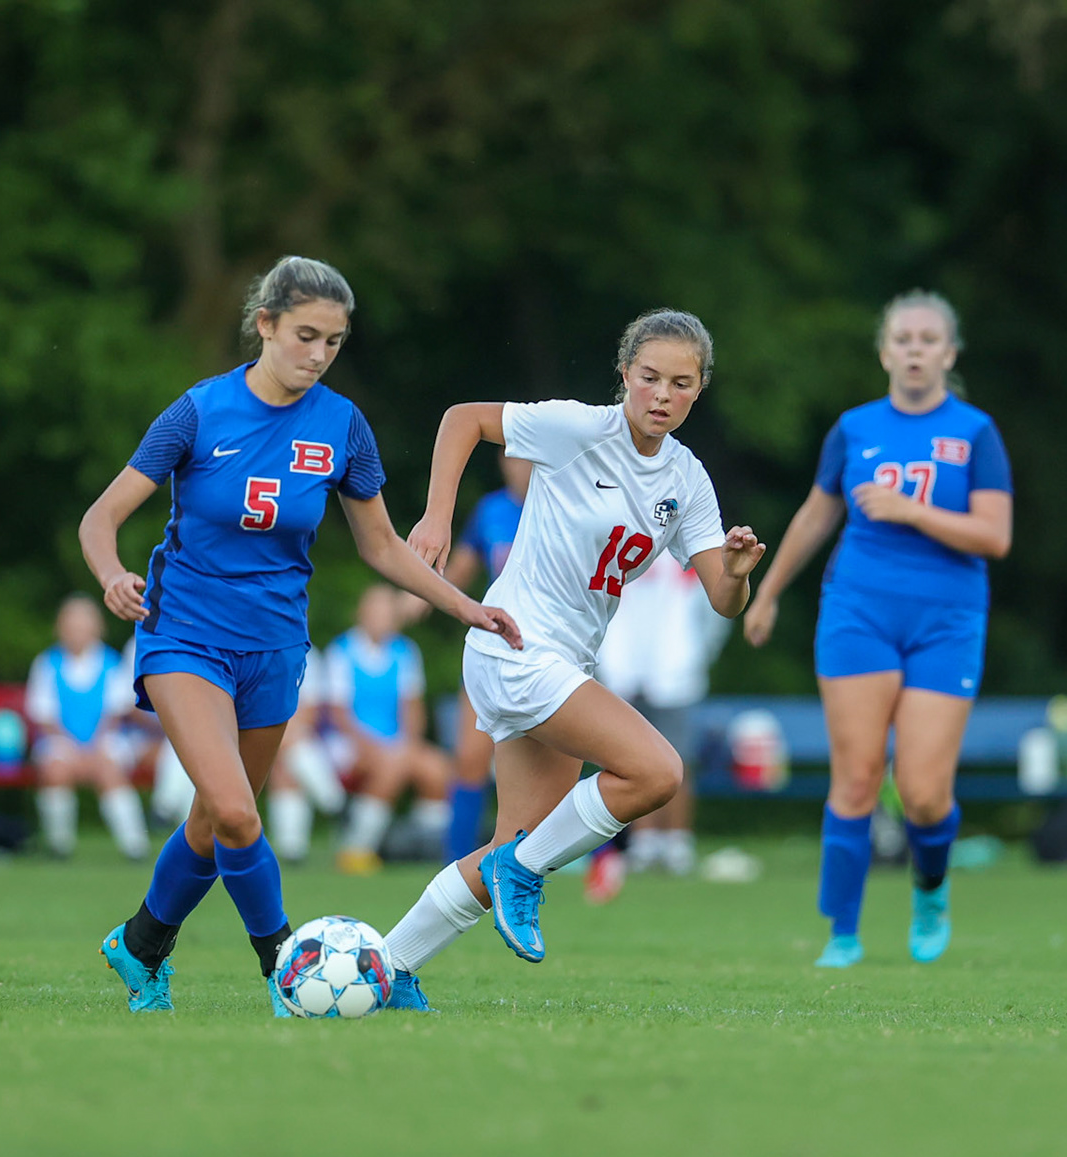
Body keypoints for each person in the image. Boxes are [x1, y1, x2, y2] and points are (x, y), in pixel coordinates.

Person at [78, 254, 520, 1015]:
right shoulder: (197, 412)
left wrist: (462, 605)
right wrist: (113, 572)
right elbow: (100, 517)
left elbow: (381, 547)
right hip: (184, 634)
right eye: (305, 336)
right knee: (240, 811)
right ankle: (285, 966)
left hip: (276, 647)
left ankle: (142, 944)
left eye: (335, 342)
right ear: (265, 325)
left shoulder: (344, 426)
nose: (318, 356)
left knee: (217, 820)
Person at [380, 309, 764, 1010]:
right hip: (516, 646)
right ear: (625, 376)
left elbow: (722, 601)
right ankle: (518, 873)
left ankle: (383, 968)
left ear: (698, 390)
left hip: (562, 664)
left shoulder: (687, 479)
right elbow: (463, 418)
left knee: (515, 841)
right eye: (649, 377)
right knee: (655, 771)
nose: (662, 394)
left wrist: (736, 572)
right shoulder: (580, 429)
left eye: (680, 383)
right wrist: (438, 517)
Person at [742, 290, 1012, 968]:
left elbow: (994, 537)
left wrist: (910, 511)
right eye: (903, 338)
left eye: (929, 339)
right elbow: (815, 516)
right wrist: (767, 592)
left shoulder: (976, 432)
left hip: (946, 620)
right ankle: (843, 933)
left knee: (923, 792)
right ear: (885, 351)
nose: (916, 350)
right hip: (858, 610)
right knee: (857, 778)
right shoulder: (854, 428)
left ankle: (930, 890)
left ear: (949, 354)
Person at [595, 554, 733, 877]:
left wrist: (698, 656)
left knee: (679, 759)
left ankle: (677, 841)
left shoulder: (686, 552)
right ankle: (644, 842)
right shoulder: (618, 546)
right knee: (631, 762)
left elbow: (716, 606)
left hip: (674, 668)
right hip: (623, 668)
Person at [440, 452, 529, 863]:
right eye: (512, 459)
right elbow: (462, 567)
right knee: (471, 758)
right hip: (492, 649)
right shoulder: (491, 510)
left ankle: (542, 858)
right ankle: (456, 861)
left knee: (542, 767)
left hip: (546, 652)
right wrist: (423, 593)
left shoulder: (562, 505)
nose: (520, 467)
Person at [324, 584, 450, 874]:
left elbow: (412, 709)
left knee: (437, 769)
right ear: (362, 614)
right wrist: (383, 749)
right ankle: (357, 848)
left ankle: (424, 847)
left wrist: (409, 744)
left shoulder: (405, 651)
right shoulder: (341, 651)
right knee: (391, 766)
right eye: (375, 611)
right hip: (349, 744)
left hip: (395, 744)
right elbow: (340, 717)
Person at [26, 595, 148, 860]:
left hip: (106, 740)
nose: (77, 632)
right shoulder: (46, 663)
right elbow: (44, 717)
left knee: (109, 770)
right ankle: (59, 844)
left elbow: (116, 713)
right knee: (55, 771)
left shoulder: (111, 663)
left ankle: (134, 845)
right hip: (60, 742)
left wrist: (93, 747)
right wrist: (73, 748)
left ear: (96, 628)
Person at [263, 646, 346, 862]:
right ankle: (333, 801)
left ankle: (292, 849)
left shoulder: (310, 656)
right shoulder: (256, 649)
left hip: (298, 734)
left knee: (287, 761)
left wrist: (286, 734)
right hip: (258, 731)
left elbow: (310, 712)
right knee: (292, 752)